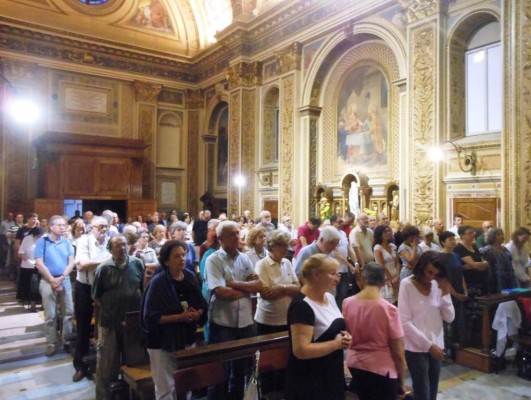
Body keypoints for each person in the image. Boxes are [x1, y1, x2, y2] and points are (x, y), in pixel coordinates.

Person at [141, 240, 207, 400]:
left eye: (183, 255)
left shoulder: (189, 277)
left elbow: (201, 304)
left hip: (186, 336)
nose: (182, 259)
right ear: (166, 261)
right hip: (161, 342)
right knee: (166, 389)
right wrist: (180, 317)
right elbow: (151, 317)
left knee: (185, 384)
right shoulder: (158, 282)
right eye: (177, 256)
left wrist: (196, 313)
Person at [205, 221, 262, 399]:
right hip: (223, 322)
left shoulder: (244, 258)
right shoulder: (213, 260)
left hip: (245, 321)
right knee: (219, 371)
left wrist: (234, 284)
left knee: (241, 370)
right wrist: (246, 289)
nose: (238, 237)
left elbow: (258, 285)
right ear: (221, 239)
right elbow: (221, 292)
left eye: (238, 233)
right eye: (232, 234)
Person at [285, 254, 352, 400]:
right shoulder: (302, 306)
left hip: (331, 374)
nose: (337, 278)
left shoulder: (329, 297)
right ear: (316, 275)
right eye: (332, 273)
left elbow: (333, 328)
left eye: (338, 273)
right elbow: (301, 350)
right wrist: (335, 344)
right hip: (310, 381)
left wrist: (345, 338)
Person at [342, 262, 406, 400]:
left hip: (355, 364)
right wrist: (400, 381)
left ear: (362, 279)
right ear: (384, 282)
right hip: (381, 369)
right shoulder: (389, 310)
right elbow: (398, 353)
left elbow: (346, 334)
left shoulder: (347, 303)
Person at [92, 234, 144, 400]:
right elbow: (97, 297)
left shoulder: (137, 263)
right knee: (107, 366)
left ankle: (132, 395)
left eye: (124, 245)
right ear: (110, 249)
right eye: (117, 246)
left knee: (135, 363)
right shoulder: (103, 269)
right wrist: (113, 307)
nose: (122, 248)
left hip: (132, 323)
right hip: (110, 322)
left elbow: (140, 287)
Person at [398, 251, 455, 400]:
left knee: (433, 389)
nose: (431, 277)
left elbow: (449, 317)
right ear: (421, 266)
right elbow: (404, 322)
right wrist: (429, 346)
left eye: (435, 274)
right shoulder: (407, 285)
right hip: (416, 347)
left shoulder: (437, 284)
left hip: (437, 344)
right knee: (422, 390)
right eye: (429, 272)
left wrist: (445, 294)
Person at [72, 216, 111, 382]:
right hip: (85, 287)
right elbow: (81, 265)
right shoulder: (83, 241)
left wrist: (92, 263)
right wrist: (106, 261)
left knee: (107, 326)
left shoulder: (110, 241)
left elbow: (116, 261)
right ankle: (80, 365)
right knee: (83, 326)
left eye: (105, 226)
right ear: (91, 227)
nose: (103, 229)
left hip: (105, 289)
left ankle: (105, 364)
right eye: (99, 226)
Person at [34, 215, 75, 357]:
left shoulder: (67, 242)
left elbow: (71, 262)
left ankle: (67, 340)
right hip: (47, 281)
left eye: (64, 225)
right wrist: (52, 280)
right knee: (50, 315)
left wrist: (62, 277)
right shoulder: (42, 241)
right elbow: (39, 263)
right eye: (59, 225)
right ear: (51, 227)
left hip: (65, 279)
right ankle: (51, 343)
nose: (63, 227)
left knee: (68, 313)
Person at [254, 230, 300, 334]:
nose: (287, 248)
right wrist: (289, 290)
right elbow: (266, 295)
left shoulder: (287, 263)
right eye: (283, 245)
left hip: (287, 317)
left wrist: (281, 288)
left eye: (287, 245)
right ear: (272, 246)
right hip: (268, 320)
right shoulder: (262, 265)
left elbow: (298, 288)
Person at [454, 225, 489, 346]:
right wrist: (476, 265)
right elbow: (474, 265)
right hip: (468, 284)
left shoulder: (474, 246)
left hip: (479, 283)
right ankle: (467, 341)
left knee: (479, 313)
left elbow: (485, 263)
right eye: (469, 233)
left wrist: (477, 265)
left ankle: (477, 339)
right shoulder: (459, 248)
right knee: (470, 313)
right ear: (462, 235)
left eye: (472, 232)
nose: (472, 235)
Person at [438, 231, 468, 354]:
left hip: (459, 290)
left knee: (458, 319)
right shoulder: (439, 257)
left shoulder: (456, 255)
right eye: (450, 239)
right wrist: (455, 293)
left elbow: (460, 274)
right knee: (447, 321)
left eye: (454, 239)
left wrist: (464, 290)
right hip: (447, 292)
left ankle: (458, 346)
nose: (453, 241)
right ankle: (447, 348)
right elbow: (443, 279)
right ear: (443, 242)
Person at [480, 228, 517, 294]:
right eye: (499, 234)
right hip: (494, 280)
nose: (502, 236)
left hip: (508, 278)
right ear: (492, 236)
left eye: (502, 234)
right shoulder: (486, 250)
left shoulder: (505, 249)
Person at [17, 226, 44, 312]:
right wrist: (30, 261)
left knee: (42, 285)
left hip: (42, 266)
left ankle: (43, 303)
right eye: (37, 236)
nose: (38, 237)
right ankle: (33, 304)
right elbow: (21, 253)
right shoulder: (27, 239)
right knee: (33, 286)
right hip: (29, 266)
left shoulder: (44, 239)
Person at [373, 225, 399, 304]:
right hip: (385, 278)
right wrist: (391, 280)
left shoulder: (393, 246)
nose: (388, 233)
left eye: (389, 231)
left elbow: (397, 263)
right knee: (387, 302)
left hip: (395, 277)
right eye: (385, 231)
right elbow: (382, 265)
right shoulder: (378, 248)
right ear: (380, 234)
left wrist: (397, 276)